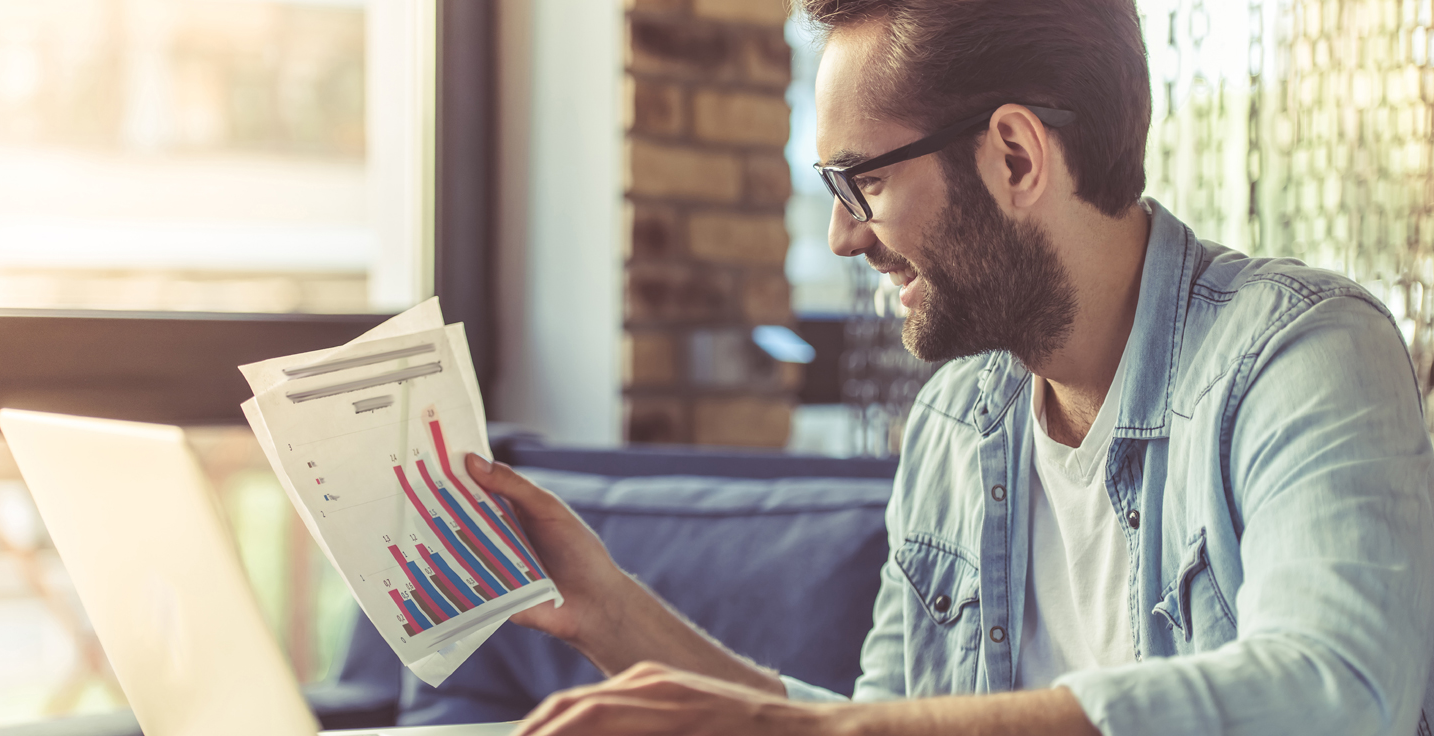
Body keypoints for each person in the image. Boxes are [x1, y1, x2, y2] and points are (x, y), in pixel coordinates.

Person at [462, 0, 1434, 733]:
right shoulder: (957, 423)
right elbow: (875, 722)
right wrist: (610, 610)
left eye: (864, 180)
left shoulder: (1301, 354)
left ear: (1014, 157)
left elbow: (1339, 692)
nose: (843, 236)